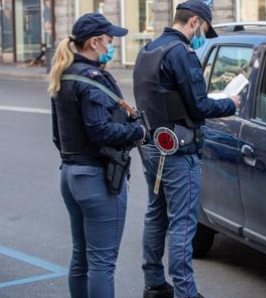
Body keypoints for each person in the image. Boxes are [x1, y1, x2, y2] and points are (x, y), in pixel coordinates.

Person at [132, 1, 239, 298]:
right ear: (194, 22)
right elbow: (200, 105)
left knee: (156, 215)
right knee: (182, 223)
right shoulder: (181, 53)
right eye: (204, 28)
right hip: (179, 151)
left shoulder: (149, 50)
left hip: (153, 146)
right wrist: (231, 103)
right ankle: (186, 292)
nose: (202, 35)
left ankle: (153, 283)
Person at [48, 13, 145, 298]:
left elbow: (57, 134)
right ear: (94, 42)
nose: (112, 44)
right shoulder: (91, 79)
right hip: (96, 179)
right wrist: (137, 132)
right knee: (102, 264)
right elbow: (100, 131)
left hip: (70, 174)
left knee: (81, 257)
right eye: (109, 40)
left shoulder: (64, 73)